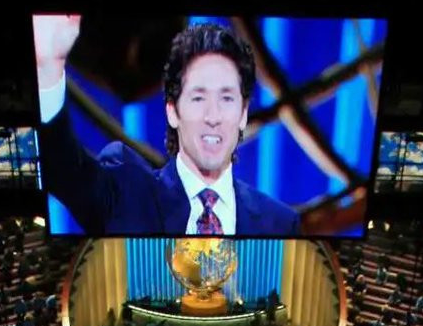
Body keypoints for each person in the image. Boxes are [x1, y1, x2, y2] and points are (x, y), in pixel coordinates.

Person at [33, 15, 301, 236]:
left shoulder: (280, 223)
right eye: (198, 98)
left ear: (242, 116)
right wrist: (48, 68)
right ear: (173, 112)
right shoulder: (126, 189)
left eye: (227, 99)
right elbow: (60, 164)